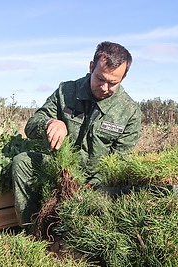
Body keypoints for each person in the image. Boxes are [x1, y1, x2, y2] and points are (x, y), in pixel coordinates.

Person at [12, 41, 141, 226]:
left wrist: (88, 188)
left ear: (124, 77)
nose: (104, 88)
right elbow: (31, 126)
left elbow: (119, 163)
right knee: (23, 162)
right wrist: (51, 122)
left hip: (98, 183)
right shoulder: (66, 92)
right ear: (91, 67)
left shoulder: (129, 112)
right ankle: (31, 231)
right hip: (59, 171)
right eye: (100, 79)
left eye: (113, 83)